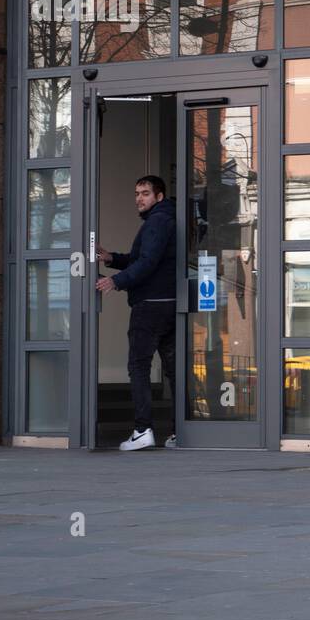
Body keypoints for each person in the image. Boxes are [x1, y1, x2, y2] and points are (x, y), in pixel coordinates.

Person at [96, 175, 177, 452]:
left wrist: (116, 281)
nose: (139, 199)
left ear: (159, 196)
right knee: (173, 369)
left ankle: (143, 430)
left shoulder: (157, 222)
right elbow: (143, 258)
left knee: (138, 367)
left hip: (150, 306)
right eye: (136, 193)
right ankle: (181, 431)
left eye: (145, 193)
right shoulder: (166, 219)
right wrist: (112, 259)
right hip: (168, 305)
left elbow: (147, 262)